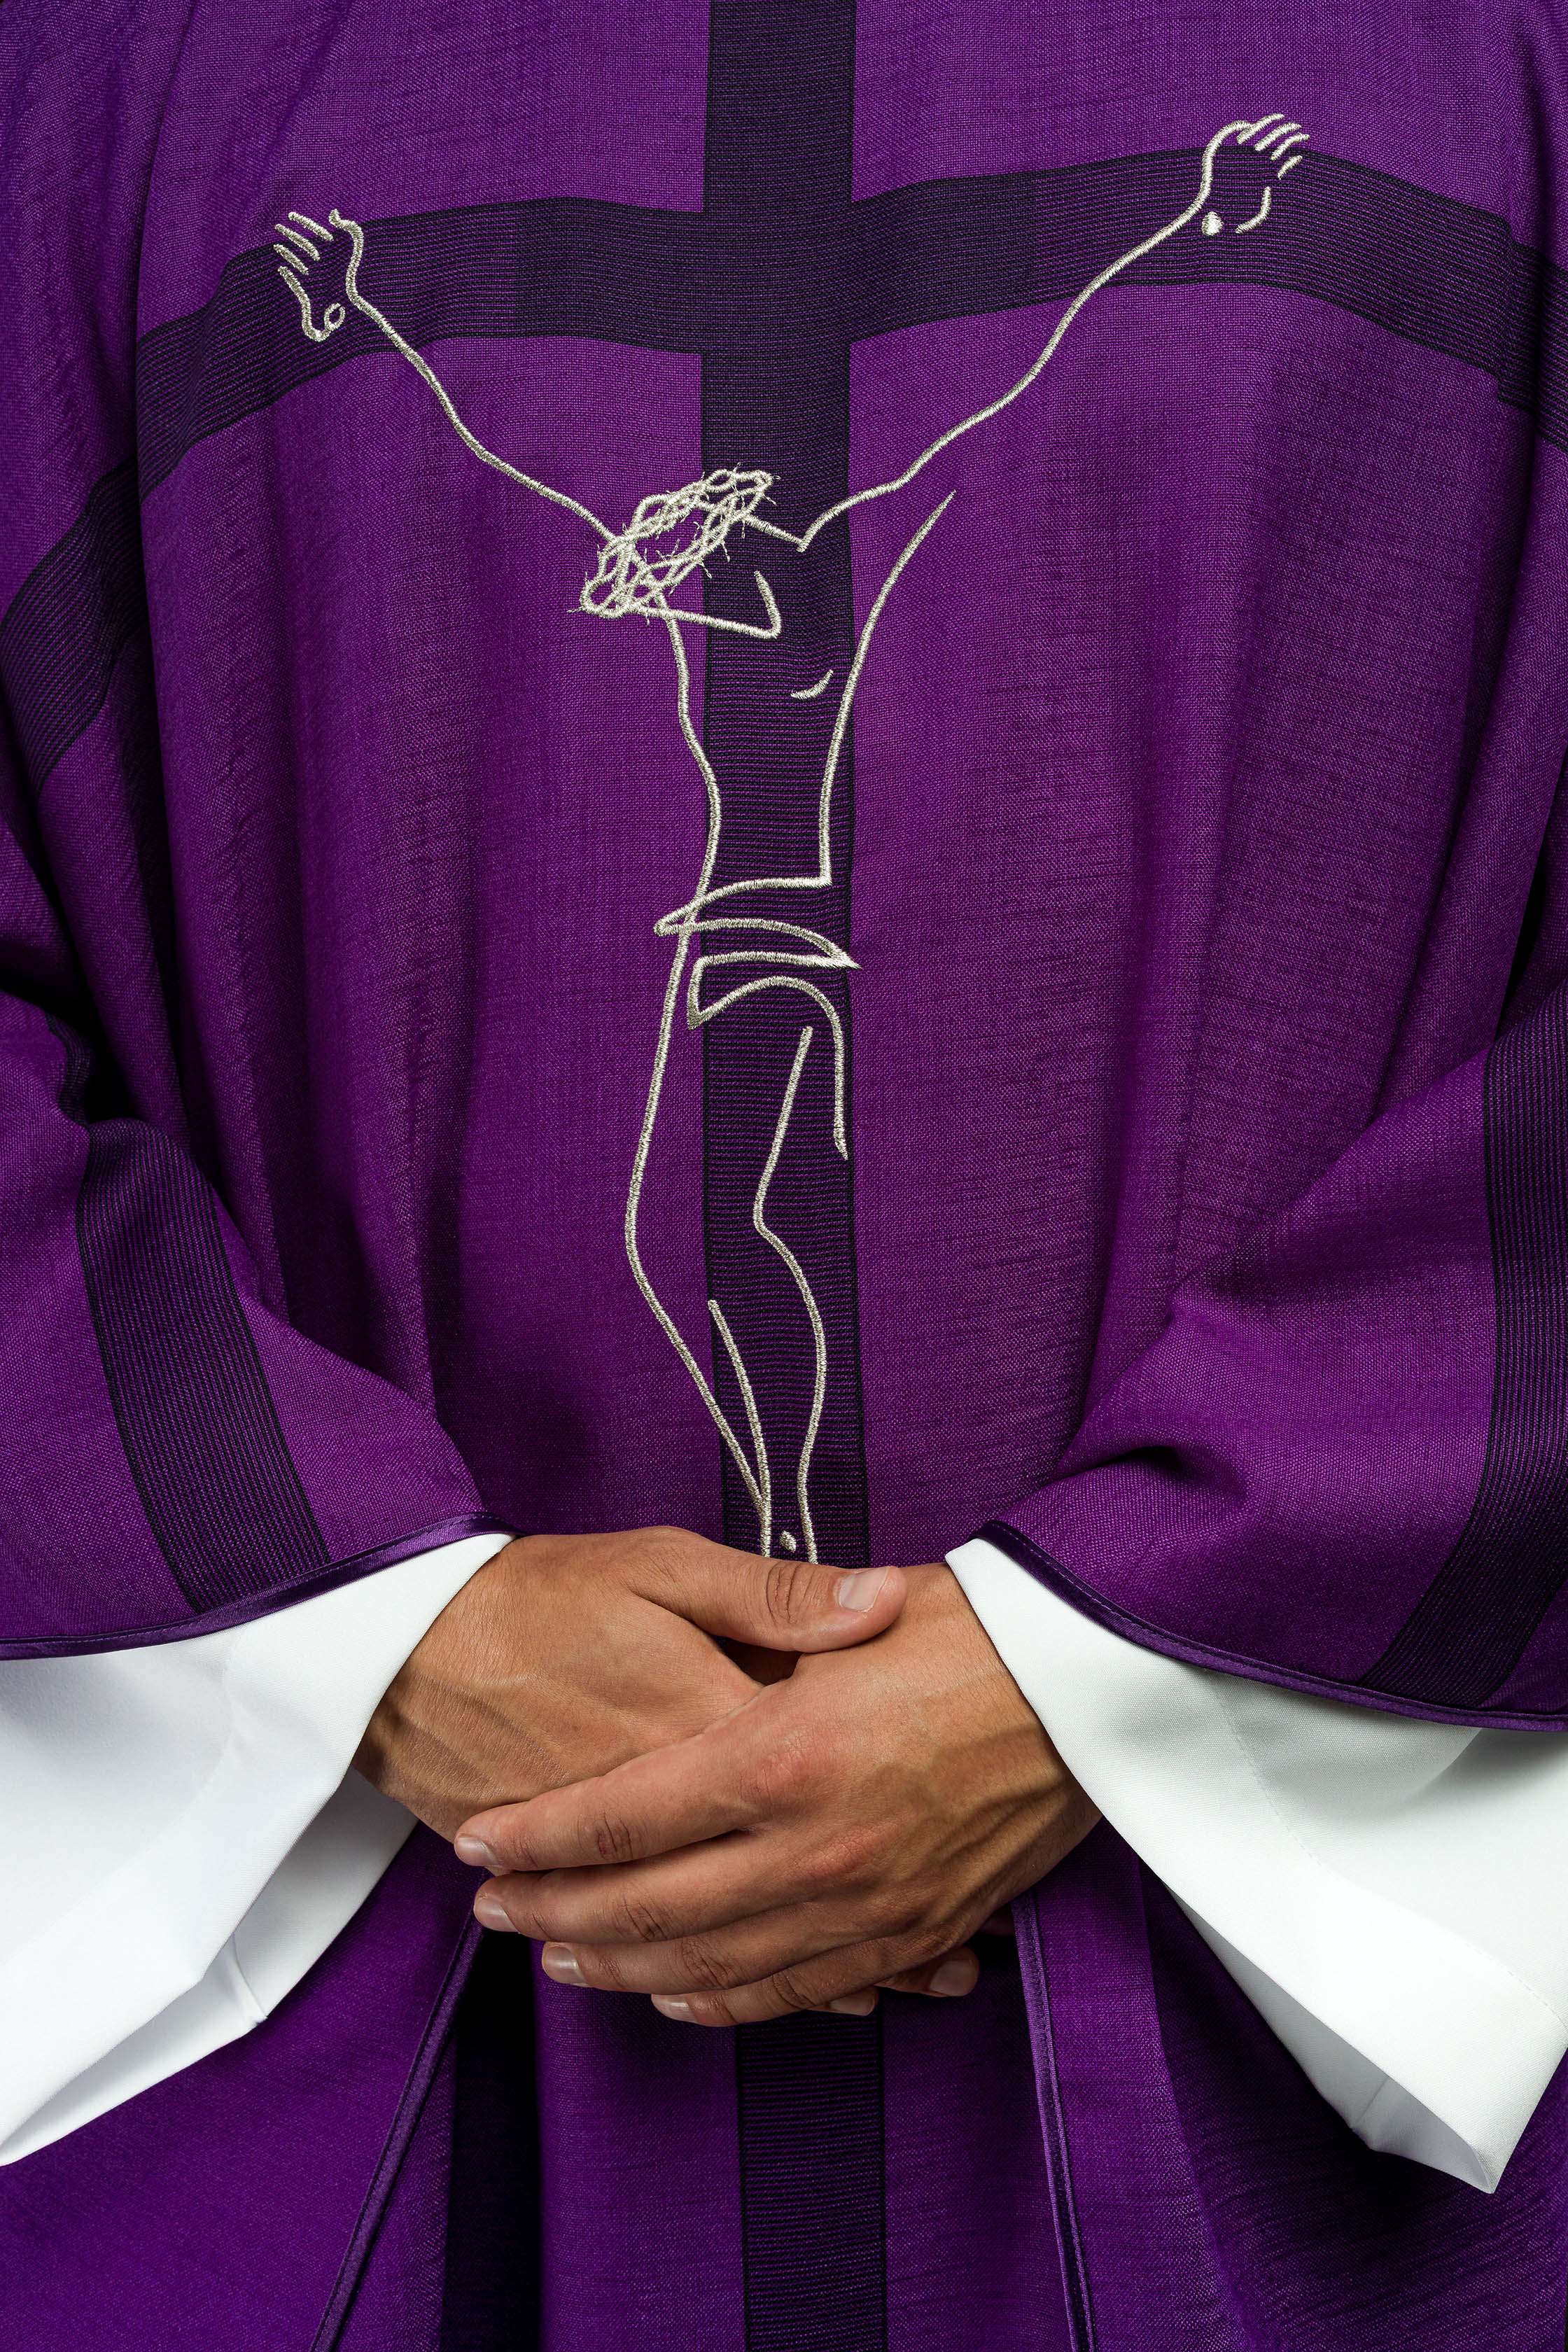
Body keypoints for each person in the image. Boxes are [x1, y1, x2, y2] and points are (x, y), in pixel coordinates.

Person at [3, 4, 1568, 2346]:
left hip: (1315, 1955)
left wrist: (1097, 1662)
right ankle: (783, 1631)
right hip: (366, 1903)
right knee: (701, 1237)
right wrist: (364, 1618)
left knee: (734, 1246)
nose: (663, 569)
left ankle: (836, 1637)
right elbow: (534, 465)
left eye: (686, 564)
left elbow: (1008, 388)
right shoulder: (108, 68)